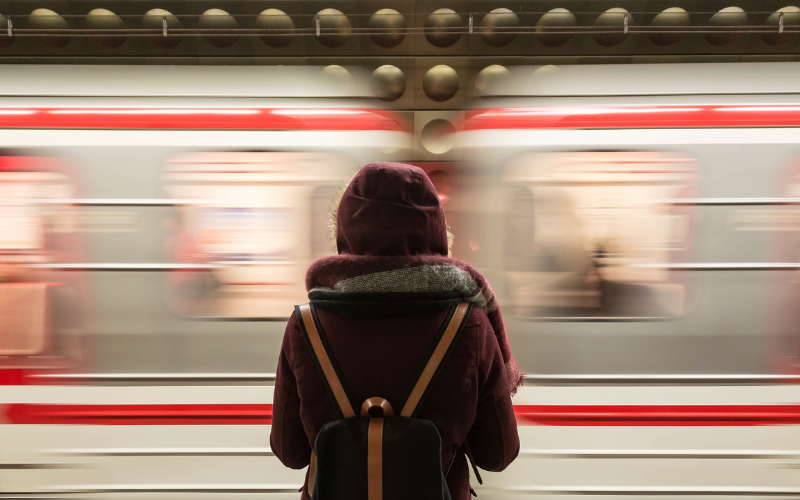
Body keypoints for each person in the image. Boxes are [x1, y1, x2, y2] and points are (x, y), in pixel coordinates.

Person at [270, 162, 522, 499]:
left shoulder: (306, 325)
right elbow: (498, 455)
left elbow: (290, 452)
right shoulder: (471, 324)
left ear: (344, 230)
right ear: (435, 231)